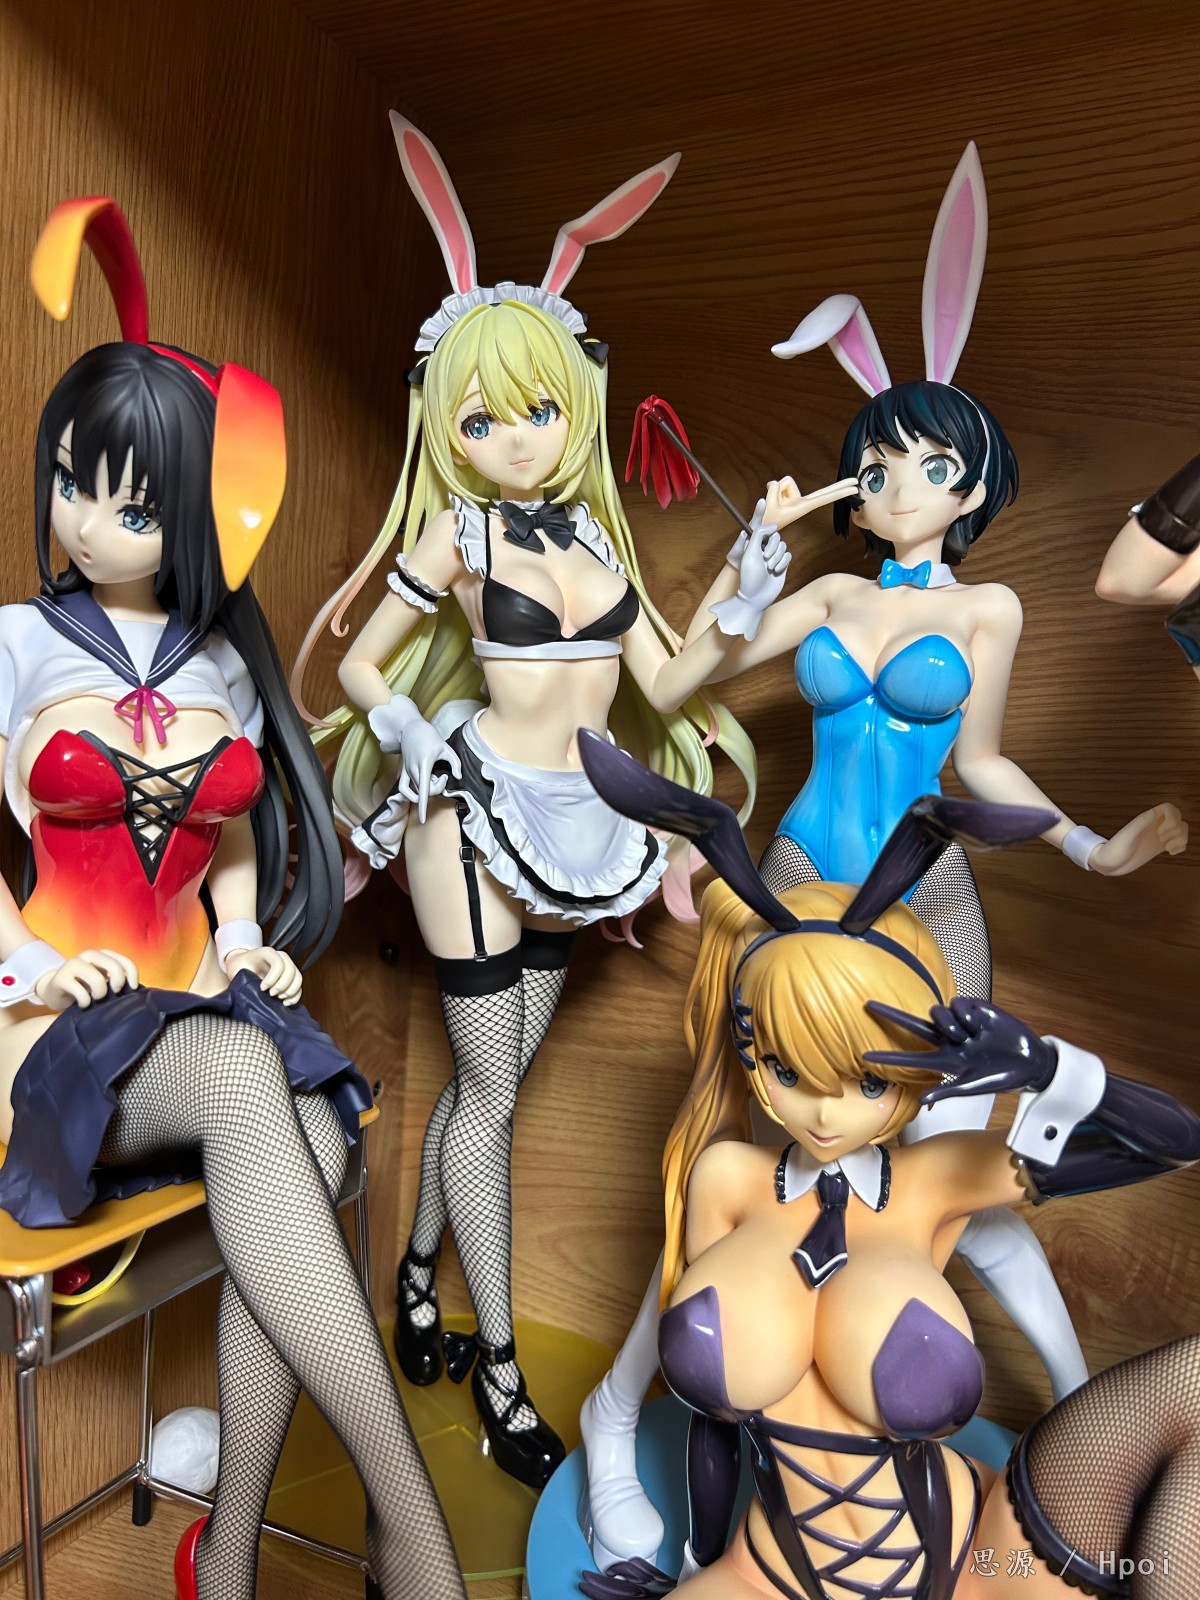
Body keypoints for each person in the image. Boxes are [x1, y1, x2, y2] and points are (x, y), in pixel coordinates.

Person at [579, 145, 1187, 1571]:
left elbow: (981, 768)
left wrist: (1093, 846)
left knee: (951, 1159)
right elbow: (674, 688)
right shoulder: (828, 593)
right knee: (741, 1158)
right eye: (883, 456)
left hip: (931, 897)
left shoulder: (989, 612)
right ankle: (622, 1414)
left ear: (969, 484)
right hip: (796, 886)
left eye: (928, 460)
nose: (899, 479)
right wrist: (749, 565)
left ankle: (1061, 1415)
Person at [0, 197, 465, 1600]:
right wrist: (27, 965)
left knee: (310, 1145)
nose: (87, 522)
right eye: (71, 483)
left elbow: (233, 832)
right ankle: (415, 1535)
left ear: (194, 520)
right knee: (252, 1086)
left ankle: (234, 1555)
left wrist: (250, 937)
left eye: (132, 504)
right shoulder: (14, 643)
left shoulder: (217, 663)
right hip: (42, 1028)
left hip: (187, 1014)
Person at [293, 113, 755, 1488]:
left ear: (577, 407)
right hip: (471, 806)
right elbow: (360, 662)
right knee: (492, 1091)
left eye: (538, 409)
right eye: (482, 416)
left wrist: (746, 597)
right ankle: (498, 1365)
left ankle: (416, 1272)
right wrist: (398, 725)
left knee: (488, 1087)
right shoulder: (459, 535)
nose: (514, 436)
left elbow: (670, 681)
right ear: (447, 422)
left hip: (586, 823)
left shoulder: (599, 537)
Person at [577, 733, 1200, 1600]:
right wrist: (696, 1562)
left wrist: (1050, 1069)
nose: (824, 1112)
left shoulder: (935, 1181)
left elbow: (1174, 1142)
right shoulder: (726, 1179)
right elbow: (710, 1422)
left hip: (971, 1559)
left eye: (868, 1080)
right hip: (768, 1573)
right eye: (786, 1069)